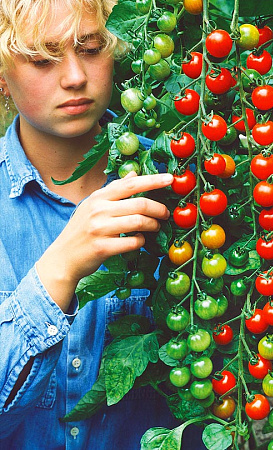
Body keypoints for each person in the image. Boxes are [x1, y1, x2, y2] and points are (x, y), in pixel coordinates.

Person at [0, 1, 204, 448]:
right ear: (1, 77)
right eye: (42, 59)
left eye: (90, 49)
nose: (74, 76)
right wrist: (58, 271)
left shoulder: (186, 181)